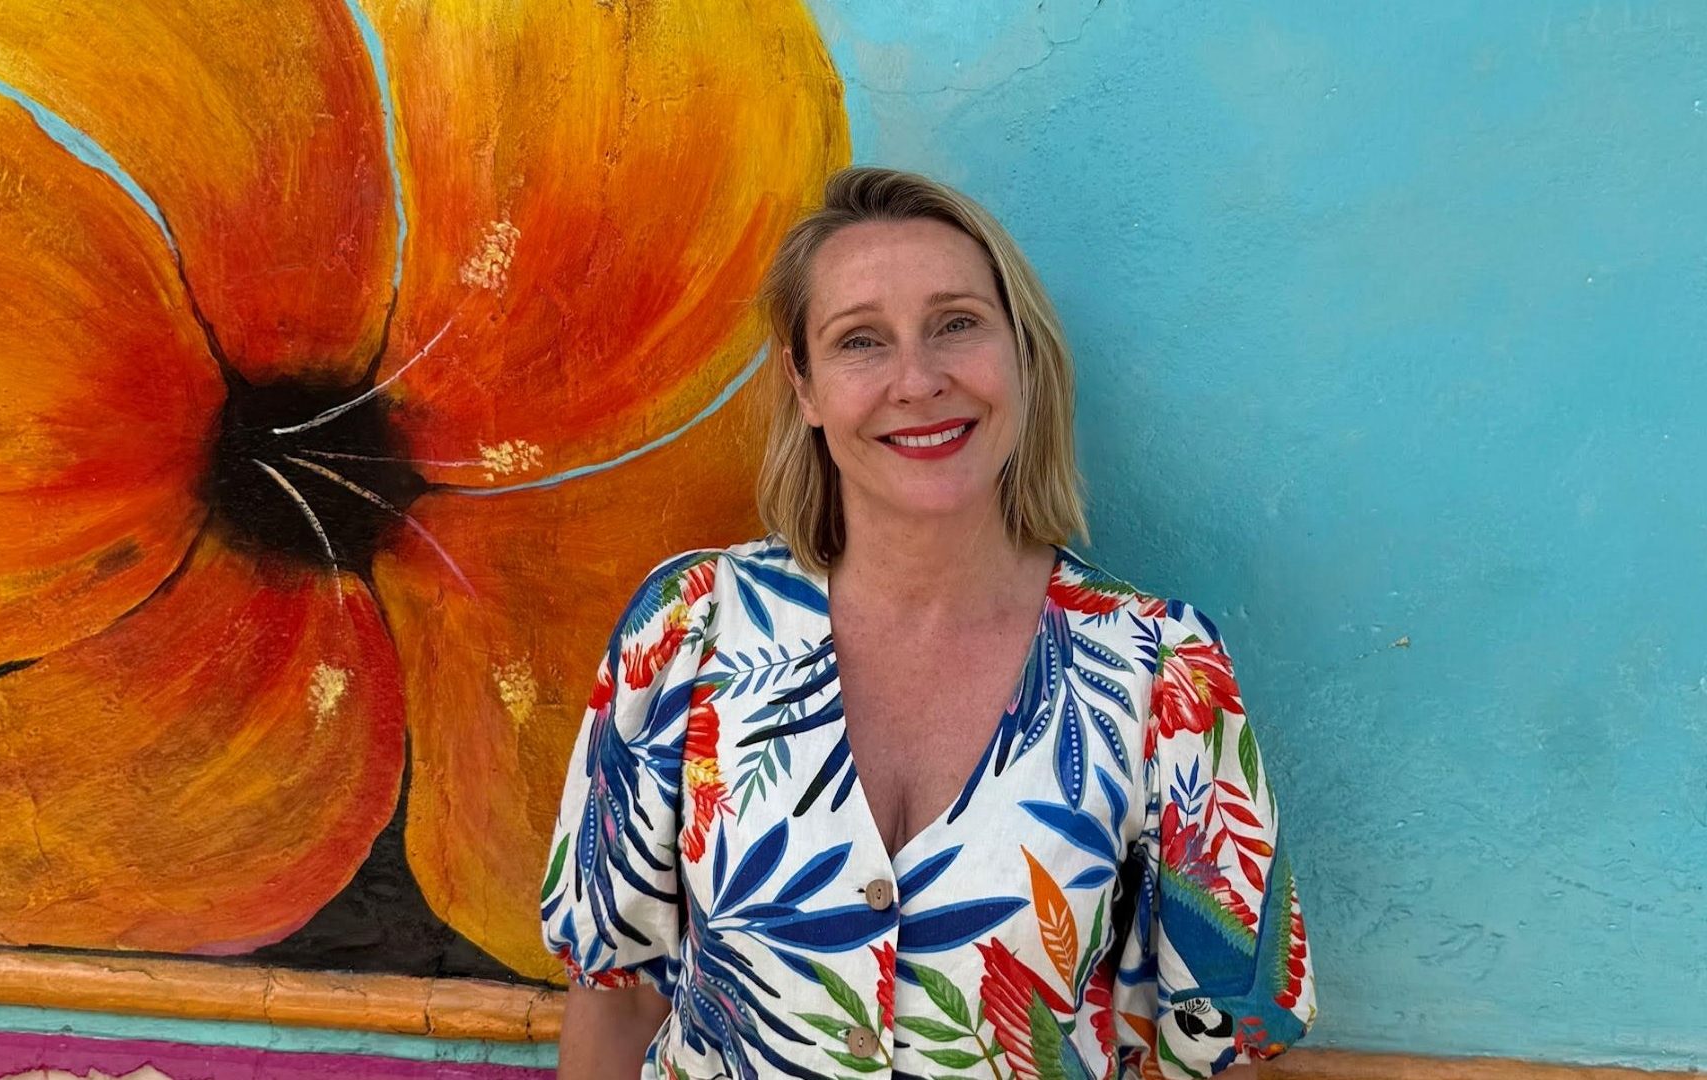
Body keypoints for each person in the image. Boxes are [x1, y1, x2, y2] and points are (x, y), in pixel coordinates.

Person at [541, 167, 1315, 1079]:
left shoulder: (1163, 673)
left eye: (956, 324)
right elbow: (619, 995)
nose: (917, 380)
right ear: (805, 388)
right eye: (860, 341)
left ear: (1021, 354)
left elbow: (1216, 1049)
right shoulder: (686, 631)